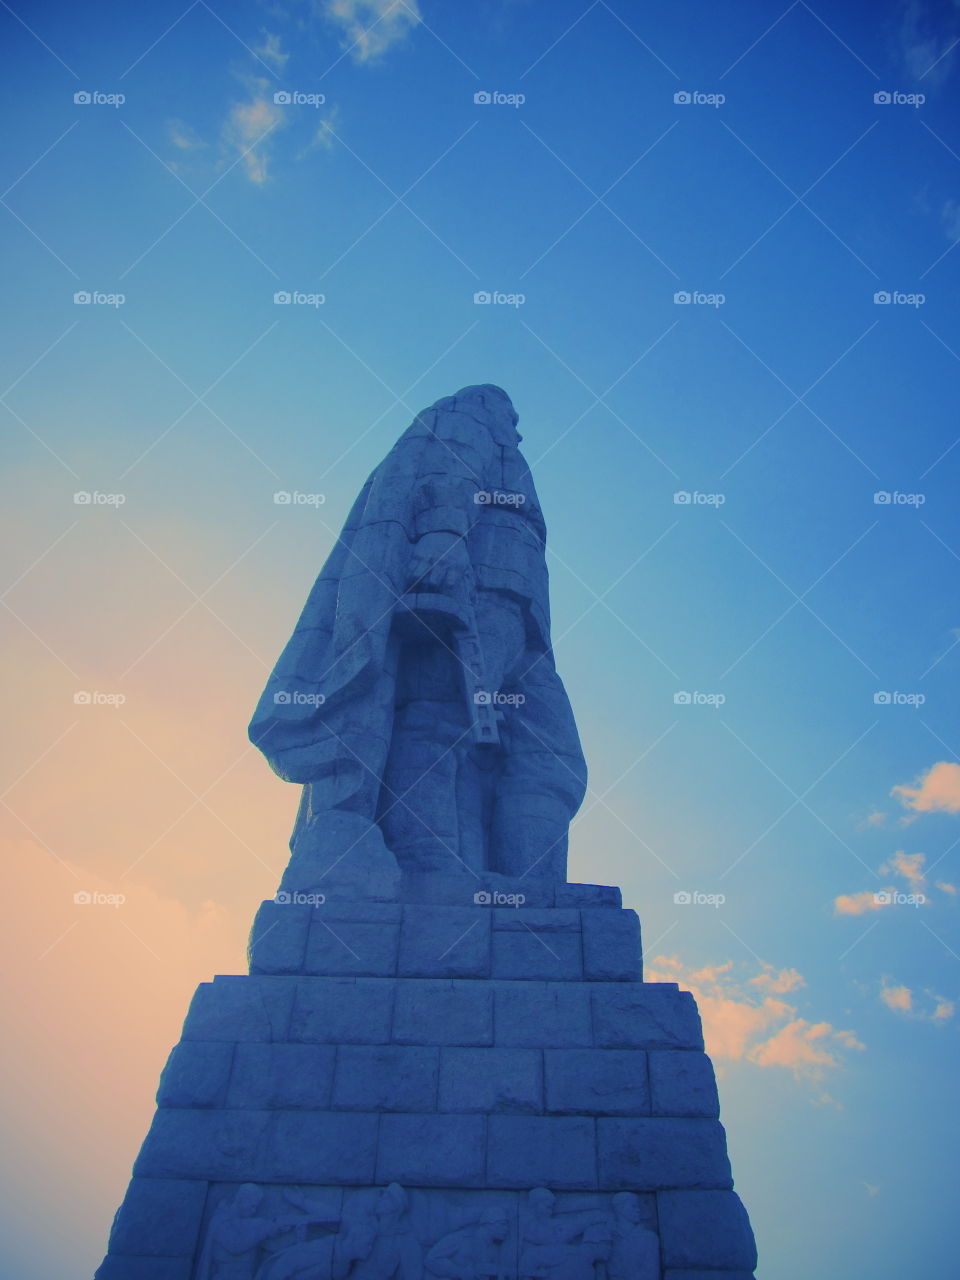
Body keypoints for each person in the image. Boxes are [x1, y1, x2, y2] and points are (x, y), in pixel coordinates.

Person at [250, 385, 586, 886]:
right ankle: (429, 864)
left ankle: (528, 886)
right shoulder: (469, 415)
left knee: (548, 752)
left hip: (521, 613)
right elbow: (447, 467)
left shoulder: (500, 444)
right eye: (510, 413)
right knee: (440, 718)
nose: (517, 426)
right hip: (479, 589)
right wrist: (442, 537)